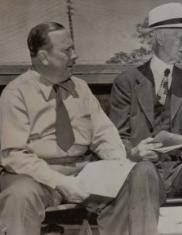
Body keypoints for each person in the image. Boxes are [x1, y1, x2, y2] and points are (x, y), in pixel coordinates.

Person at [0, 22, 160, 235]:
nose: (75, 56)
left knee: (140, 173)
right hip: (37, 176)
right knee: (19, 194)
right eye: (67, 50)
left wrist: (120, 164)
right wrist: (59, 182)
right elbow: (14, 155)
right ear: (44, 57)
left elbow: (104, 135)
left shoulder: (81, 88)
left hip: (83, 171)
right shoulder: (16, 93)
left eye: (73, 48)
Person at [108, 3, 182, 235]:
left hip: (179, 170)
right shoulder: (127, 81)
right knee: (142, 171)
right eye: (179, 37)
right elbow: (116, 137)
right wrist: (134, 151)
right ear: (159, 37)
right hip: (143, 171)